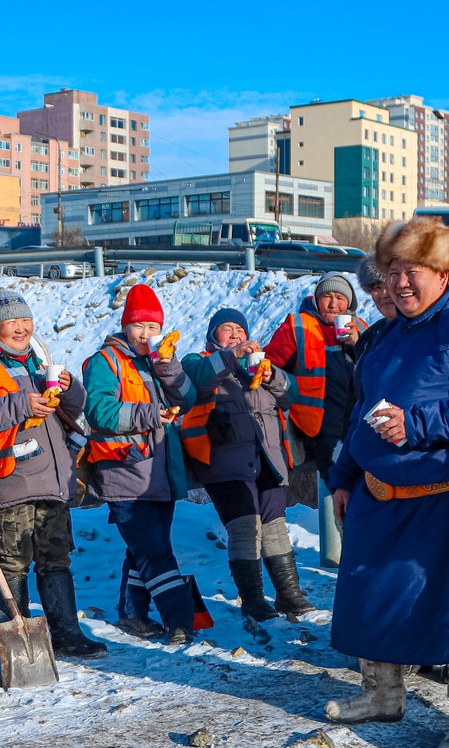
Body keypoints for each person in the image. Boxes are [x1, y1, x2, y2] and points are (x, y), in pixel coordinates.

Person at [326, 218, 449, 748]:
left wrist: (419, 424)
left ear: (444, 272)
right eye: (393, 272)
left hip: (445, 495)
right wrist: (344, 477)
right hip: (376, 494)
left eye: (413, 271)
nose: (400, 284)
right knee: (368, 596)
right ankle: (383, 696)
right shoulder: (387, 334)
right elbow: (360, 412)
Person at [0, 287, 105, 659]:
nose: (20, 328)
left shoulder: (36, 360)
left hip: (50, 481)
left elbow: (76, 408)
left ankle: (66, 633)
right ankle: (15, 641)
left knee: (57, 559)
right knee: (11, 564)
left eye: (25, 320)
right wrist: (22, 403)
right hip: (8, 479)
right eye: (11, 321)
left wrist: (69, 390)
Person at [82, 283, 203, 645]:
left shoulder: (154, 361)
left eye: (153, 327)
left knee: (144, 549)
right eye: (139, 326)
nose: (146, 334)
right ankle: (181, 620)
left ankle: (133, 614)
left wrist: (170, 369)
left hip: (158, 473)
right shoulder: (104, 362)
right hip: (124, 472)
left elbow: (190, 398)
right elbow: (99, 411)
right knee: (155, 552)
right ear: (125, 325)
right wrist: (152, 414)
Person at [183, 307, 313, 622]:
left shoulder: (259, 366)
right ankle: (253, 600)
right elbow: (191, 381)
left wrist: (274, 376)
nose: (236, 335)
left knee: (274, 527)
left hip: (267, 458)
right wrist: (230, 356)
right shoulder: (197, 361)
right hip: (223, 464)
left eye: (240, 330)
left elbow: (292, 394)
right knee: (244, 528)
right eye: (227, 329)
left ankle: (289, 594)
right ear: (213, 335)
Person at [265, 273, 365, 569]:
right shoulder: (297, 325)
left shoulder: (358, 327)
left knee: (365, 489)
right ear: (316, 298)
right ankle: (352, 559)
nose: (333, 303)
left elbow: (375, 365)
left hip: (359, 423)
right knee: (341, 489)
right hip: (320, 427)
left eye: (340, 298)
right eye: (327, 296)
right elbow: (269, 368)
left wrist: (357, 345)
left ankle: (359, 554)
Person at [355, 257, 399, 358]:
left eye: (389, 285)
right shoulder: (370, 335)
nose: (384, 294)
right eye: (377, 288)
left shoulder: (420, 334)